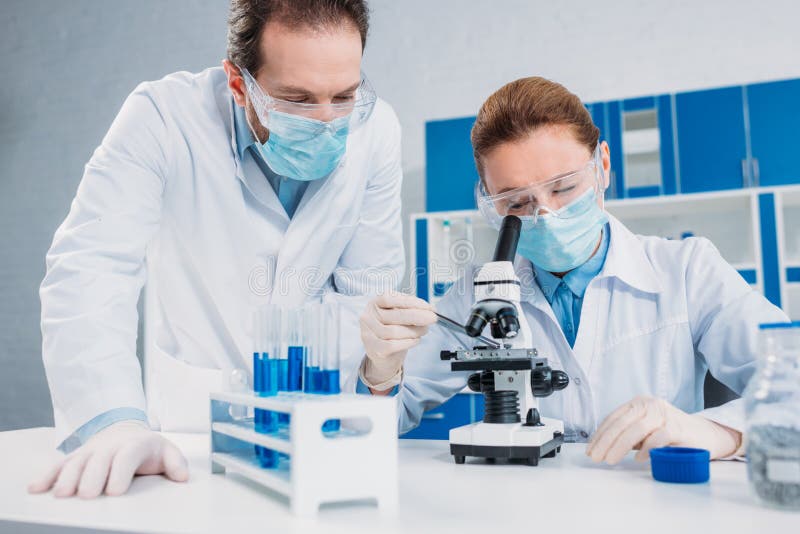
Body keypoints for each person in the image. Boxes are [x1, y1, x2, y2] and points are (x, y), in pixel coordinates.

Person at [31, 0, 404, 498]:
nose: (325, 122)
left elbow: (367, 291)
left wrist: (376, 370)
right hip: (192, 439)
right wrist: (111, 420)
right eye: (295, 99)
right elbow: (92, 266)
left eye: (344, 96)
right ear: (238, 83)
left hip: (324, 436)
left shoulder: (375, 131)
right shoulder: (164, 118)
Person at [357, 76, 789, 464]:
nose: (545, 215)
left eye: (564, 187)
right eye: (516, 203)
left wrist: (718, 432)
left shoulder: (687, 270)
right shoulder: (479, 292)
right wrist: (381, 372)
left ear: (602, 166)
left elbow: (791, 383)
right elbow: (377, 422)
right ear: (487, 201)